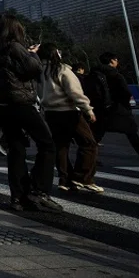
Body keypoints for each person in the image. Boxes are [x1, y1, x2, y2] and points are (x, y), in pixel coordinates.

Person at [0, 13, 62, 213]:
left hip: (1, 105)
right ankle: (39, 190)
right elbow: (32, 69)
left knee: (16, 149)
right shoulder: (14, 47)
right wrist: (32, 53)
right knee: (48, 145)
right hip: (20, 102)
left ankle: (17, 197)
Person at [37, 44, 100, 193]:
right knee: (89, 143)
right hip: (69, 111)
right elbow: (74, 92)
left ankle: (64, 179)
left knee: (61, 146)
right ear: (54, 54)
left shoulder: (38, 72)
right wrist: (88, 109)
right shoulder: (62, 69)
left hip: (50, 113)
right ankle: (82, 177)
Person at [93, 52, 139, 165]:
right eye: (116, 60)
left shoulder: (94, 74)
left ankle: (89, 160)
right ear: (112, 61)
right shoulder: (116, 75)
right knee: (133, 135)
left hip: (100, 110)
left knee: (96, 136)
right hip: (119, 109)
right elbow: (125, 93)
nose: (117, 62)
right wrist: (126, 104)